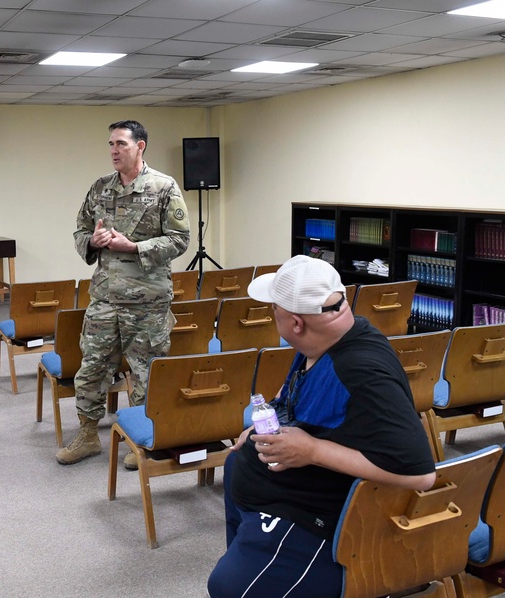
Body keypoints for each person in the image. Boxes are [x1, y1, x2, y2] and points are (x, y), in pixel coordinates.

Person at [207, 255, 436, 597]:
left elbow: (421, 474)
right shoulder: (323, 337)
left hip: (315, 516)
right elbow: (291, 394)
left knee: (227, 588)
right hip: (278, 495)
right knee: (237, 464)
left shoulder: (362, 372)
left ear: (296, 323)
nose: (274, 317)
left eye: (276, 312)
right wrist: (265, 423)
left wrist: (313, 450)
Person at [56, 120, 191, 468]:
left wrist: (135, 246)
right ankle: (87, 436)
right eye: (111, 144)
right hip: (104, 298)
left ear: (140, 146)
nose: (114, 151)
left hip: (147, 303)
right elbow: (80, 229)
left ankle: (140, 440)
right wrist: (92, 242)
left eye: (121, 144)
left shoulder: (164, 187)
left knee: (145, 373)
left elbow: (180, 240)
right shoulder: (100, 188)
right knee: (91, 369)